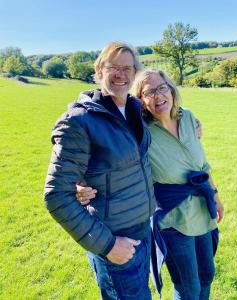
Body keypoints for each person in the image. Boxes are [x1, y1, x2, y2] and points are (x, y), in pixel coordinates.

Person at [77, 68, 224, 300]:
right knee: (188, 288)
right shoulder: (140, 132)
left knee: (207, 275)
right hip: (173, 219)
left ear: (172, 90)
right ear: (141, 101)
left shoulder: (188, 119)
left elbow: (202, 165)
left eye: (162, 88)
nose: (158, 96)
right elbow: (105, 155)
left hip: (202, 209)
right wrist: (81, 183)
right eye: (149, 92)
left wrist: (215, 195)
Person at [44, 42, 156, 300]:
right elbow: (56, 195)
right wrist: (108, 245)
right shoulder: (79, 121)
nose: (121, 74)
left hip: (142, 228)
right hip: (114, 238)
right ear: (98, 72)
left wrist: (188, 120)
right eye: (113, 67)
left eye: (127, 68)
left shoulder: (134, 109)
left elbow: (166, 110)